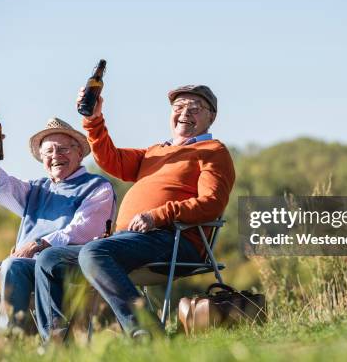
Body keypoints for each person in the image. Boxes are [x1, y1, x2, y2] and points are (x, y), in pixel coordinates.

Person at [74, 84, 235, 338]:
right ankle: (57, 344)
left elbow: (212, 203)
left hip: (174, 239)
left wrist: (158, 215)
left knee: (94, 252)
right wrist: (93, 120)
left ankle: (148, 333)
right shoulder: (155, 151)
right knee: (52, 259)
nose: (185, 113)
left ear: (211, 117)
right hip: (129, 241)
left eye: (195, 108)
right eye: (179, 107)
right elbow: (110, 159)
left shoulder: (213, 152)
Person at [0, 117, 115, 331]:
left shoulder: (97, 187)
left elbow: (83, 230)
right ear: (42, 158)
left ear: (79, 153)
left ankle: (5, 342)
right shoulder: (37, 189)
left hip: (60, 272)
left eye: (63, 149)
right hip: (13, 273)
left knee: (12, 265)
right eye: (49, 152)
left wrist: (38, 244)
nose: (56, 156)